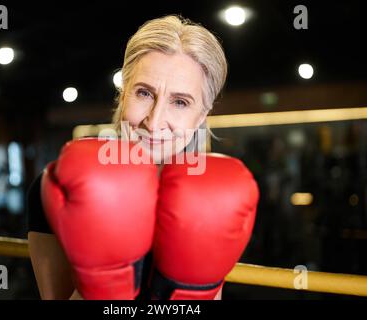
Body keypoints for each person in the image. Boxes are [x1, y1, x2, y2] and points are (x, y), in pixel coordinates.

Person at [28, 15, 254, 300]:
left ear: (201, 116)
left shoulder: (214, 196)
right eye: (144, 93)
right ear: (123, 97)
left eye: (180, 102)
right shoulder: (59, 187)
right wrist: (102, 286)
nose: (155, 120)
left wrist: (195, 295)